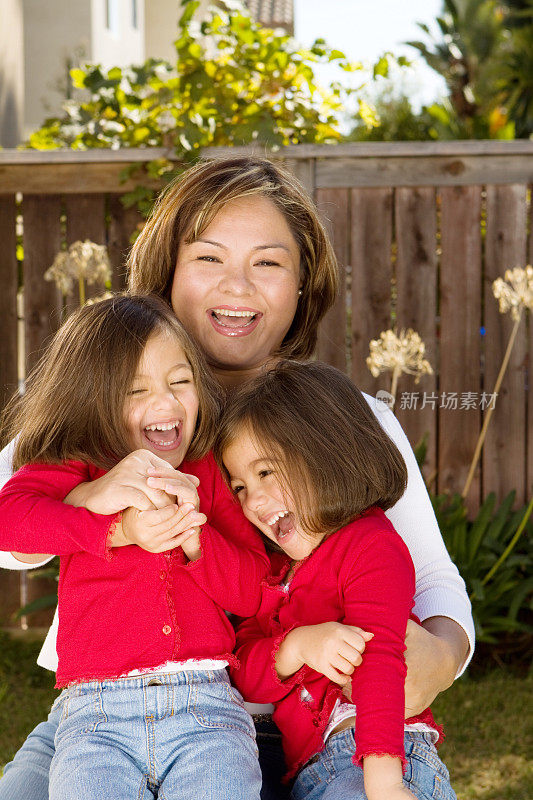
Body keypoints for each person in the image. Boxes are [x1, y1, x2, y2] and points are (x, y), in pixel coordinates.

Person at [0, 156, 473, 800]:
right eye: (209, 258)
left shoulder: (350, 420)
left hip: (312, 723)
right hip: (105, 712)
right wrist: (97, 497)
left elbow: (437, 580)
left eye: (269, 262)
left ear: (304, 286)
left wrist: (440, 660)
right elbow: (13, 534)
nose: (238, 286)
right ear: (165, 274)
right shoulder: (103, 415)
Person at [0, 294, 269, 800]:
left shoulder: (207, 471)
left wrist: (197, 540)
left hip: (206, 710)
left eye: (180, 381)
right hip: (95, 717)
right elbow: (9, 522)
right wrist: (113, 525)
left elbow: (254, 590)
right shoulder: (77, 463)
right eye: (135, 390)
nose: (165, 403)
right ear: (92, 399)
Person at [217, 360, 456, 800]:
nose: (254, 500)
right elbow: (248, 675)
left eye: (266, 472)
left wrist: (382, 782)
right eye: (239, 487)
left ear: (324, 453)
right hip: (312, 772)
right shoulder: (273, 573)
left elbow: (382, 662)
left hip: (376, 758)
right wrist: (296, 646)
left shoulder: (369, 545)